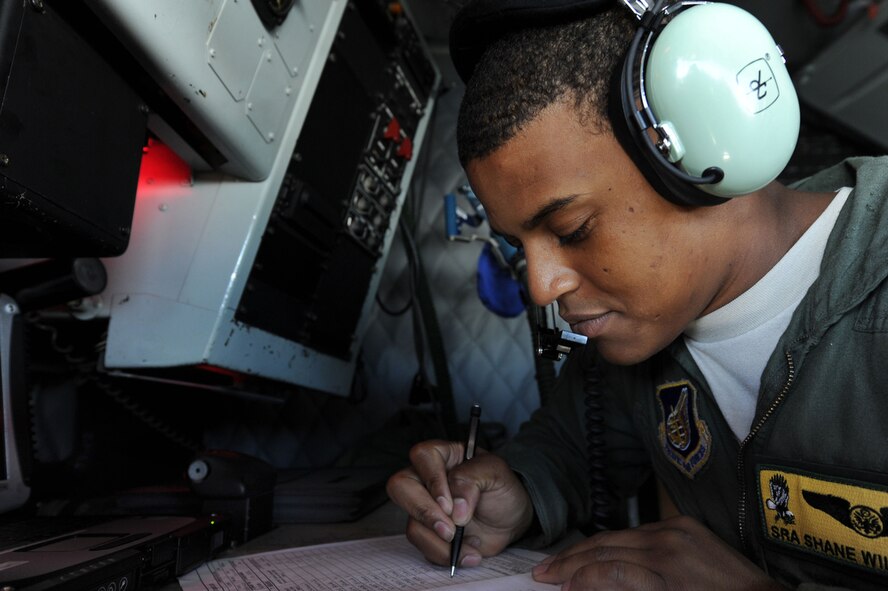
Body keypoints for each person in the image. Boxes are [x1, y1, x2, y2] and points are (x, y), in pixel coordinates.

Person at [386, 0, 888, 589]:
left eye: (572, 230)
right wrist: (515, 493)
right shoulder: (637, 339)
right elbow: (569, 448)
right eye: (522, 246)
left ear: (706, 143)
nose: (542, 285)